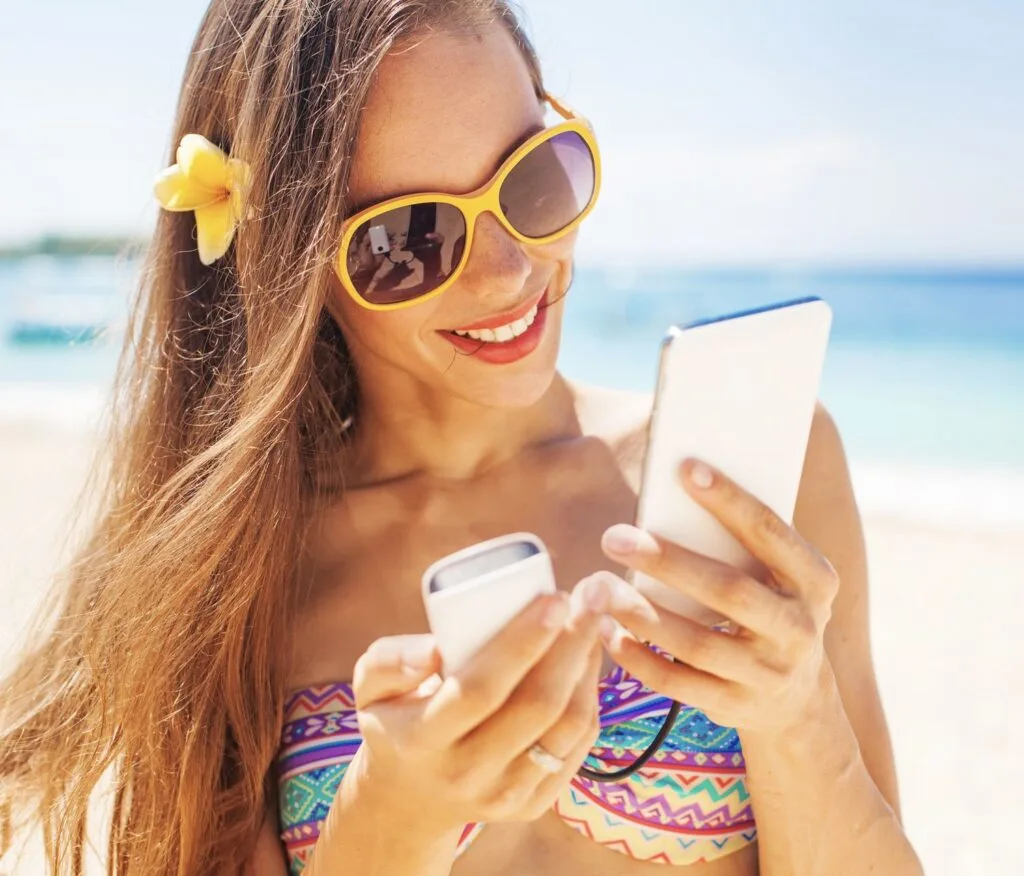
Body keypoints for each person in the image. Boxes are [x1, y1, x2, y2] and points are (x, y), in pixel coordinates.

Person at [0, 2, 924, 875]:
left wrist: (799, 718)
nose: (512, 271)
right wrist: (393, 821)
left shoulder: (762, 469)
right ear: (289, 261)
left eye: (534, 177)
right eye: (409, 238)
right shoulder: (238, 568)